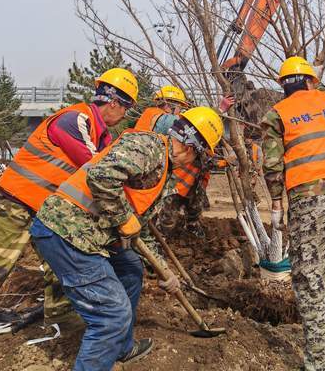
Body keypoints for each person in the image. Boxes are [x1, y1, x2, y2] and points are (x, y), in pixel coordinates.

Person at [0, 68, 138, 371]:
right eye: (127, 108)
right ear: (114, 103)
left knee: (60, 261)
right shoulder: (76, 119)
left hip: (46, 211)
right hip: (18, 202)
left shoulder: (99, 132)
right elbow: (97, 170)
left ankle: (61, 312)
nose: (125, 115)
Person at [29, 106, 224, 370]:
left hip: (89, 232)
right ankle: (107, 344)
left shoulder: (163, 168)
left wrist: (165, 272)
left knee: (131, 267)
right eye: (199, 159)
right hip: (67, 233)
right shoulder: (148, 147)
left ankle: (121, 347)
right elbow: (102, 176)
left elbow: (137, 229)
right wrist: (123, 217)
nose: (194, 166)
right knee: (111, 316)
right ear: (191, 148)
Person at [261, 56, 325, 371]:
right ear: (311, 81)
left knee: (311, 281)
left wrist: (276, 203)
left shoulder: (276, 114)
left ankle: (320, 365)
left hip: (307, 200)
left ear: (283, 87)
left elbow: (273, 165)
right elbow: (320, 90)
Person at [135, 86, 235, 238]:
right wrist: (219, 111)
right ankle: (156, 240)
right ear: (170, 105)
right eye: (180, 108)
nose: (181, 113)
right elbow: (192, 126)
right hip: (171, 181)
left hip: (172, 179)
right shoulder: (160, 117)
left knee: (182, 209)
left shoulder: (154, 117)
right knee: (164, 216)